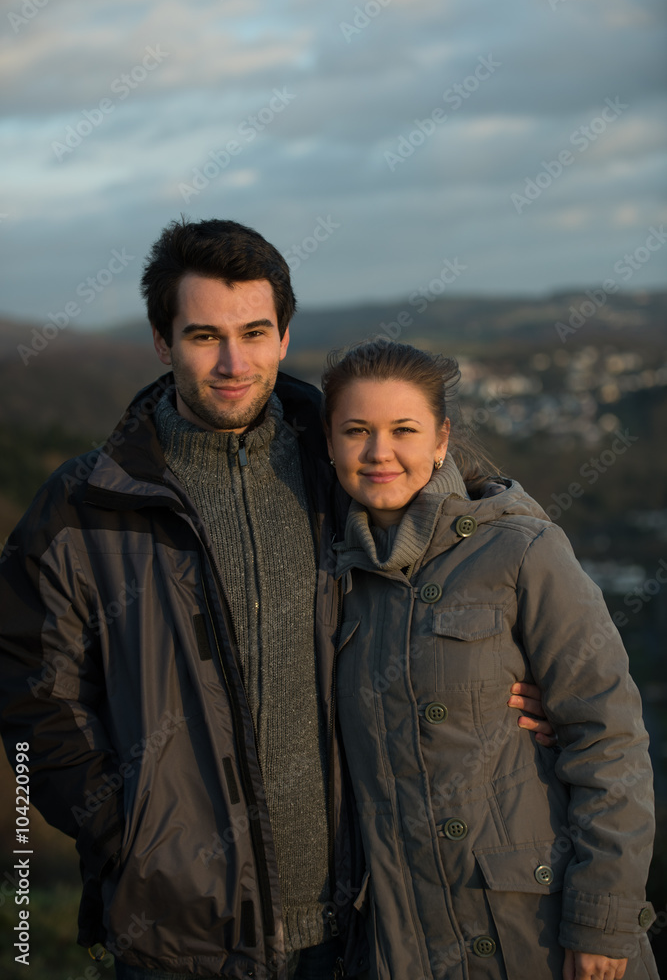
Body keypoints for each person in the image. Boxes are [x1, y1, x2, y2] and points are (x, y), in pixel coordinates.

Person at [0, 219, 551, 980]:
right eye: (203, 336)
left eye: (254, 332)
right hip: (177, 938)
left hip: (368, 923)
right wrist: (119, 828)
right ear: (163, 343)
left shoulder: (347, 463)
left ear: (285, 336)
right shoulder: (84, 506)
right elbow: (30, 693)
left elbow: (483, 538)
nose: (233, 361)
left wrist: (529, 679)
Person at [321, 340, 658, 980]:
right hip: (406, 940)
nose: (379, 452)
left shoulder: (522, 549)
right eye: (356, 431)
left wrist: (602, 921)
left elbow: (609, 738)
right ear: (331, 444)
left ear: (442, 439)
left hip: (536, 932)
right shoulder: (333, 578)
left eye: (404, 430)